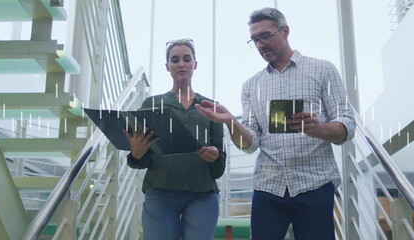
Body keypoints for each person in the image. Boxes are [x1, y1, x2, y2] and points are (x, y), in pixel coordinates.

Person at [196, 8, 355, 240]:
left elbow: (347, 125)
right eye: (255, 39)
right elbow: (249, 144)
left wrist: (320, 129)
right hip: (268, 186)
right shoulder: (251, 86)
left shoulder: (323, 69)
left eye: (266, 36)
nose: (260, 44)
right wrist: (230, 122)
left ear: (285, 31)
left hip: (315, 183)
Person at [124, 38, 226, 240]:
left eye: (187, 59)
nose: (181, 64)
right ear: (167, 66)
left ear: (195, 64)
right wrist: (136, 154)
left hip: (202, 194)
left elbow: (219, 167)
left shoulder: (210, 106)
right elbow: (140, 161)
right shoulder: (152, 104)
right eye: (175, 59)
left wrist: (214, 157)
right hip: (160, 193)